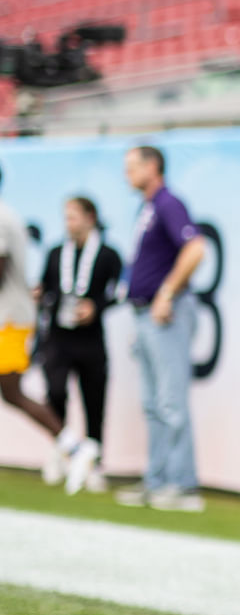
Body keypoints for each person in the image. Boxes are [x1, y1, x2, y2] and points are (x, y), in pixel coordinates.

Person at [114, 145, 207, 512]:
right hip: (146, 315)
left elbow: (195, 248)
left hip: (165, 315)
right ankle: (157, 479)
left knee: (171, 402)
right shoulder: (148, 208)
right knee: (153, 404)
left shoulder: (168, 203)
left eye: (131, 167)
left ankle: (182, 485)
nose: (126, 175)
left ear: (152, 167)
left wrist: (166, 293)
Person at [33, 196, 122, 494]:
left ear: (89, 218)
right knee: (55, 392)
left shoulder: (108, 255)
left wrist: (94, 307)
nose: (68, 223)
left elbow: (117, 292)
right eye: (66, 217)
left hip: (90, 338)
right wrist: (39, 294)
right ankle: (62, 451)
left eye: (73, 217)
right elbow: (46, 286)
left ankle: (94, 462)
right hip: (59, 337)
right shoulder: (57, 253)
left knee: (93, 400)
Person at [0, 161, 66, 469]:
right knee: (11, 393)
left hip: (9, 318)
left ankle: (72, 445)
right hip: (9, 316)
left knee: (12, 391)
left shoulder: (1, 216)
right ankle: (71, 444)